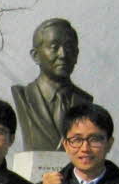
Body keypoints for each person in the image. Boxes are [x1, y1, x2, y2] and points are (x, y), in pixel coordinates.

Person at [10, 17, 94, 153]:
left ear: (77, 54)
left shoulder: (84, 101)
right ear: (35, 56)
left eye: (69, 47)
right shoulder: (24, 97)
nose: (63, 54)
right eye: (54, 47)